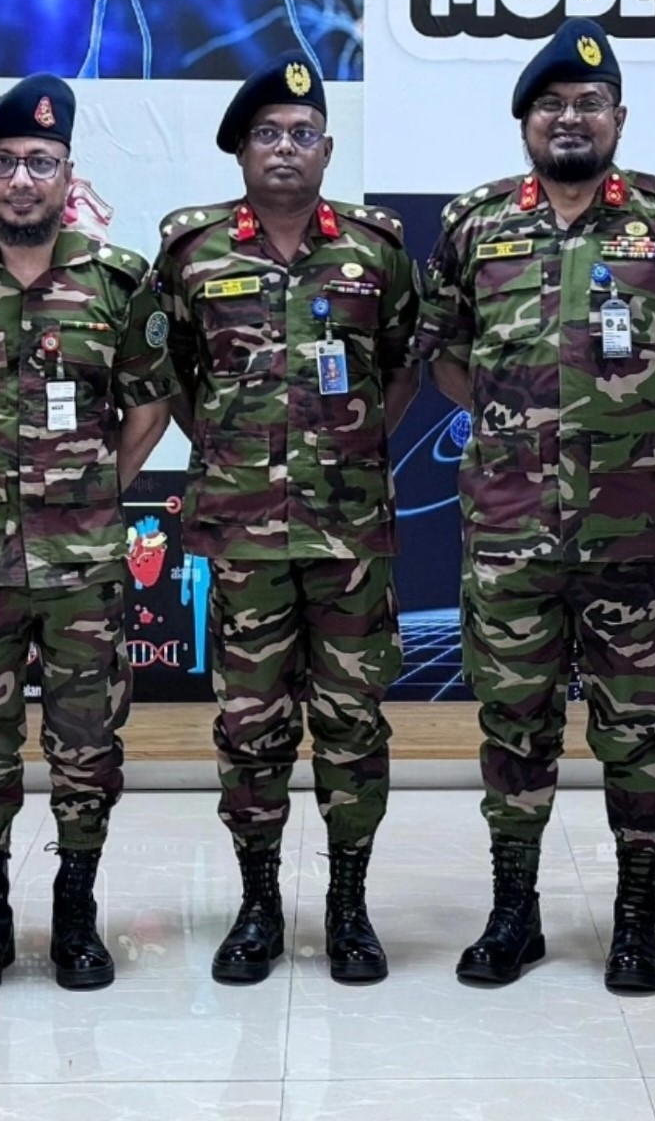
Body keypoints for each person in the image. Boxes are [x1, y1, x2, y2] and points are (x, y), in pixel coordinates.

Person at [419, 17, 655, 995]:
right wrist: (513, 424)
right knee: (512, 721)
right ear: (524, 121)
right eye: (551, 105)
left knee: (639, 729)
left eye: (588, 104)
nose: (570, 118)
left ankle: (636, 917)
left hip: (629, 527)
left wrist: (637, 417)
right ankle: (511, 913)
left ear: (618, 118)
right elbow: (442, 352)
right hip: (508, 531)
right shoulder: (473, 222)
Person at [0, 74, 175, 995]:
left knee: (87, 743)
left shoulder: (119, 280)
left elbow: (148, 406)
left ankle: (76, 911)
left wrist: (95, 493)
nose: (22, 179)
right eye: (5, 163)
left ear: (67, 174)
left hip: (83, 563)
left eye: (40, 163)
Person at [155, 58, 420, 987]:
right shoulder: (191, 250)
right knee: (250, 725)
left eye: (301, 134)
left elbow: (402, 363)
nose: (284, 148)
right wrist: (231, 448)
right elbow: (172, 374)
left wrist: (352, 445)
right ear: (240, 150)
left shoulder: (376, 249)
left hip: (350, 536)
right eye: (266, 134)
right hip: (243, 537)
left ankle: (348, 905)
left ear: (327, 150)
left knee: (353, 722)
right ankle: (258, 904)